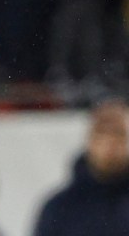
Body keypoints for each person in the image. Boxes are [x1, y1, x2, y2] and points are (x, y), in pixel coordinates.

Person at [32, 98, 129, 236]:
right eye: (102, 132)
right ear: (89, 139)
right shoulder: (59, 209)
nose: (110, 142)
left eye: (118, 132)